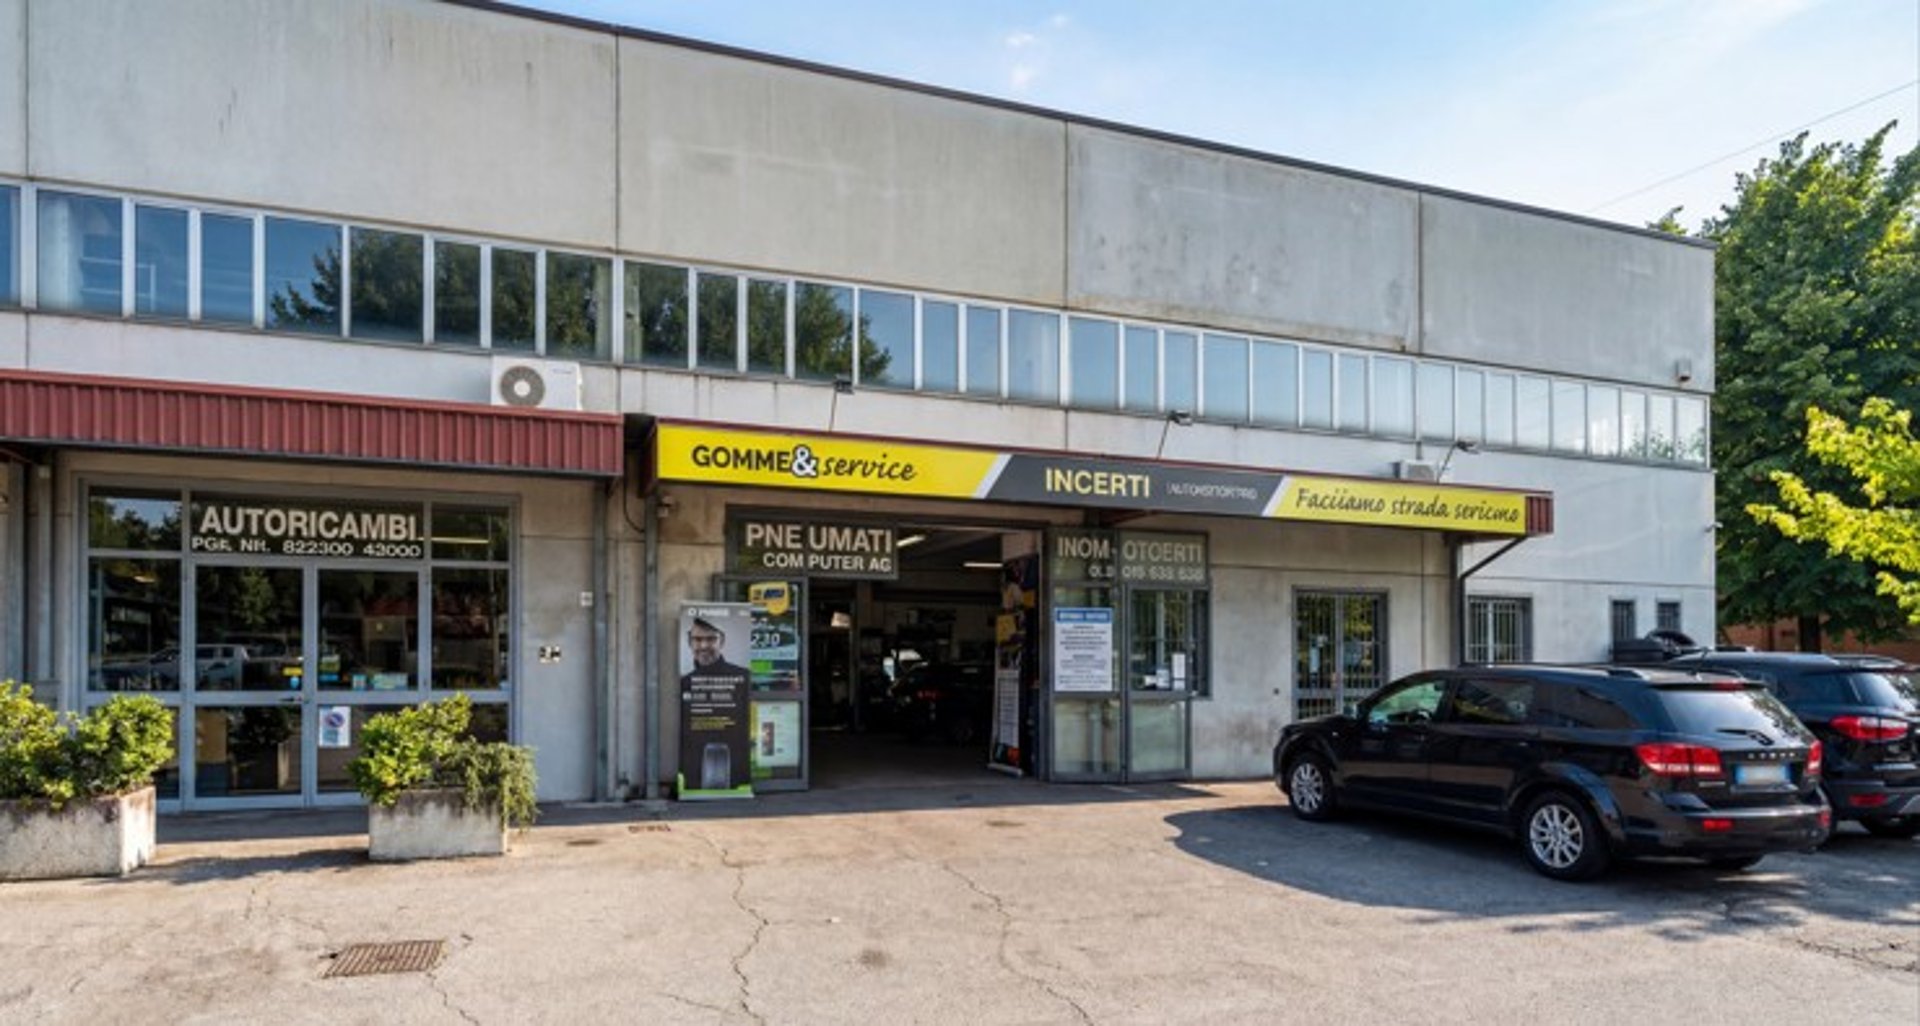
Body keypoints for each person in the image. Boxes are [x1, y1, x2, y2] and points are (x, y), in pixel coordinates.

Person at [681, 616, 750, 690]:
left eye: (711, 639)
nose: (704, 646)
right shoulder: (683, 683)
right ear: (690, 643)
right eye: (697, 639)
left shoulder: (746, 677)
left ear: (722, 642)